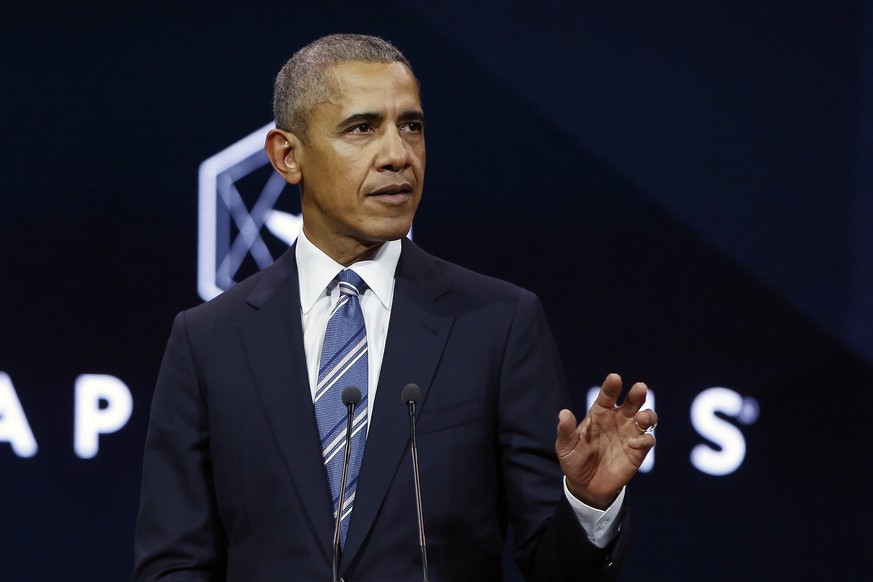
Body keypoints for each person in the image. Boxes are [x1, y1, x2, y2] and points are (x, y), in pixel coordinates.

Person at [132, 33, 657, 582]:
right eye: (362, 128)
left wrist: (588, 505)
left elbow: (555, 568)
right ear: (288, 156)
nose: (397, 155)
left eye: (412, 126)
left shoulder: (497, 324)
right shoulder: (209, 340)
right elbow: (175, 563)